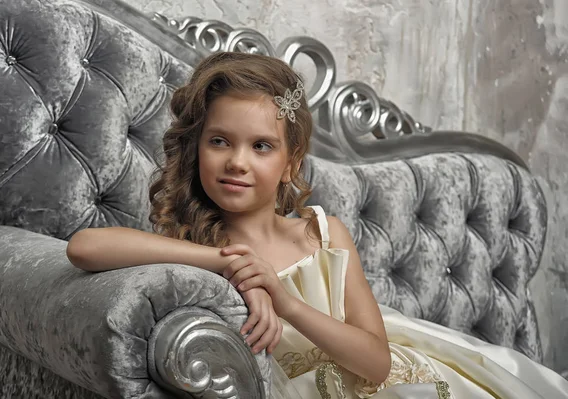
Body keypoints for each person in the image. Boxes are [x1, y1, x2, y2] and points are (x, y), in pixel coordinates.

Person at [66, 52, 568, 399]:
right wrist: (226, 259)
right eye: (220, 141)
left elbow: (377, 363)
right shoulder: (195, 246)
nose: (237, 161)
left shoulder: (321, 236)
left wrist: (286, 303)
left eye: (261, 146)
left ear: (290, 162)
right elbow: (84, 248)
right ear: (197, 148)